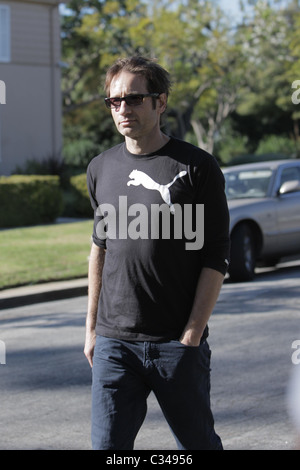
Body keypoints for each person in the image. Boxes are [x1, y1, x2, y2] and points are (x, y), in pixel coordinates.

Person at [84, 56, 230, 450]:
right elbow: (99, 250)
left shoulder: (197, 167)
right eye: (114, 101)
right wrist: (92, 330)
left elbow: (215, 257)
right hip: (115, 343)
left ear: (160, 102)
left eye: (134, 99)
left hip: (175, 344)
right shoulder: (101, 167)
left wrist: (192, 335)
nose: (123, 109)